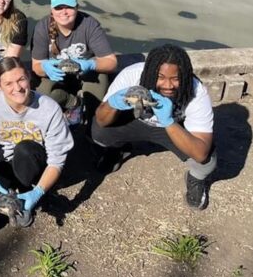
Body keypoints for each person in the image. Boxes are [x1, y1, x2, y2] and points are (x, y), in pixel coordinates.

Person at [92, 44, 216, 210]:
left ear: (185, 76)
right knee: (98, 132)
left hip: (172, 128)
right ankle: (117, 149)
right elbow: (101, 120)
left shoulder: (196, 91)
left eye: (176, 78)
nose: (168, 85)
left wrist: (169, 121)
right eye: (160, 77)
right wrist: (114, 103)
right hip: (135, 120)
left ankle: (195, 179)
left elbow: (201, 154)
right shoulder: (131, 75)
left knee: (207, 162)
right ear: (149, 73)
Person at [0, 57, 73, 230]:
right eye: (8, 83)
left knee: (24, 149)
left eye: (21, 80)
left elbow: (57, 159)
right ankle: (12, 192)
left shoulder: (49, 108)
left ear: (29, 78)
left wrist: (38, 191)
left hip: (32, 160)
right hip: (3, 162)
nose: (17, 88)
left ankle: (29, 192)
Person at [30, 0, 117, 124]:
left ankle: (88, 114)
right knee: (41, 96)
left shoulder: (89, 25)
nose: (64, 12)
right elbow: (36, 66)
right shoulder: (42, 27)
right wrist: (45, 67)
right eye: (58, 7)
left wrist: (91, 64)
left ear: (76, 7)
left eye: (68, 7)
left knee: (94, 104)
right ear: (52, 10)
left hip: (86, 75)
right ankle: (73, 102)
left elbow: (111, 62)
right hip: (58, 75)